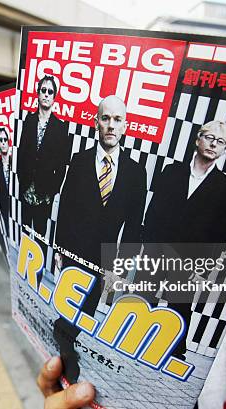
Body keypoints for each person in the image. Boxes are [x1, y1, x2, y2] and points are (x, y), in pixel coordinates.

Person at [37, 23, 226, 409]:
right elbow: (147, 217)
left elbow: (220, 230)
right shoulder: (167, 172)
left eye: (222, 141)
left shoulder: (225, 186)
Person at [53, 95, 147, 383]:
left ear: (125, 126)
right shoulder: (79, 161)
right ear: (96, 122)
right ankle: (66, 351)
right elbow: (65, 206)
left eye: (117, 119)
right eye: (105, 118)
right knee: (70, 305)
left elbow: (134, 225)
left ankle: (66, 334)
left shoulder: (136, 172)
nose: (111, 125)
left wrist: (119, 266)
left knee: (88, 309)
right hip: (73, 250)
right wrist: (58, 247)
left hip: (105, 256)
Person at [141, 120, 226, 359]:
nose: (213, 144)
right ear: (198, 139)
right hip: (158, 249)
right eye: (209, 137)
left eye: (221, 142)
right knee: (146, 295)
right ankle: (137, 338)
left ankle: (175, 352)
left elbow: (222, 233)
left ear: (224, 149)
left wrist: (204, 269)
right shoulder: (172, 171)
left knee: (181, 304)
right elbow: (152, 212)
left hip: (191, 259)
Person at [17, 75, 71, 251]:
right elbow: (21, 153)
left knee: (40, 236)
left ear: (54, 97)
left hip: (44, 193)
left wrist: (52, 191)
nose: (46, 94)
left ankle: (37, 275)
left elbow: (63, 165)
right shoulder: (29, 121)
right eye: (44, 90)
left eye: (50, 92)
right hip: (26, 188)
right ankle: (22, 274)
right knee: (24, 233)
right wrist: (21, 180)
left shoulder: (61, 127)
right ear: (38, 93)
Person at [0, 127, 11, 235]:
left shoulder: (15, 162)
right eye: (1, 140)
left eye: (5, 140)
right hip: (4, 206)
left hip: (17, 206)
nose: (3, 143)